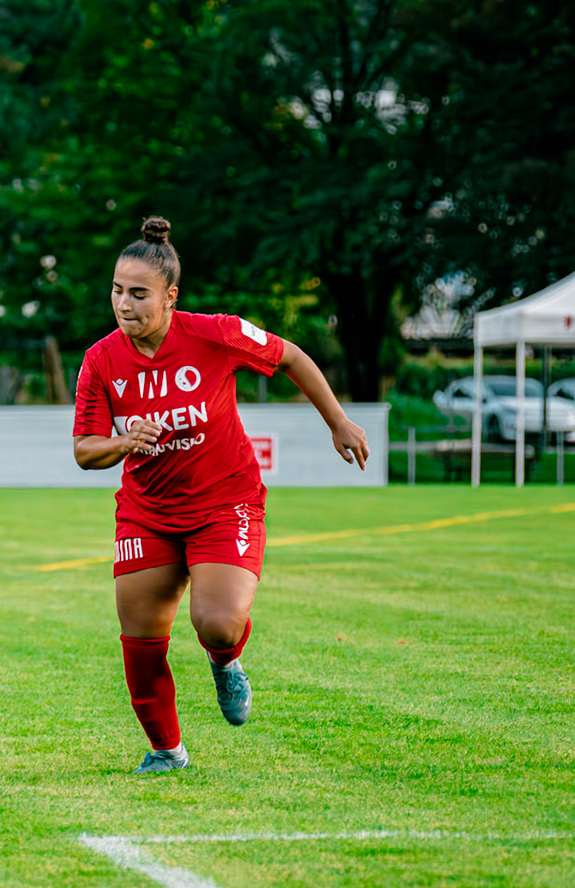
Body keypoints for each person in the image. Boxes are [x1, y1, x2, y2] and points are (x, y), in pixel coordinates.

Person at [72, 216, 368, 774]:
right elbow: (85, 449)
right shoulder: (101, 360)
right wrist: (123, 440)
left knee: (219, 623)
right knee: (139, 637)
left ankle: (225, 659)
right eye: (116, 290)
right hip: (147, 513)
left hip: (223, 501)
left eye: (139, 293)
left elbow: (291, 357)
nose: (123, 304)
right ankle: (167, 752)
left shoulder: (215, 334)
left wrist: (339, 422)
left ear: (170, 296)